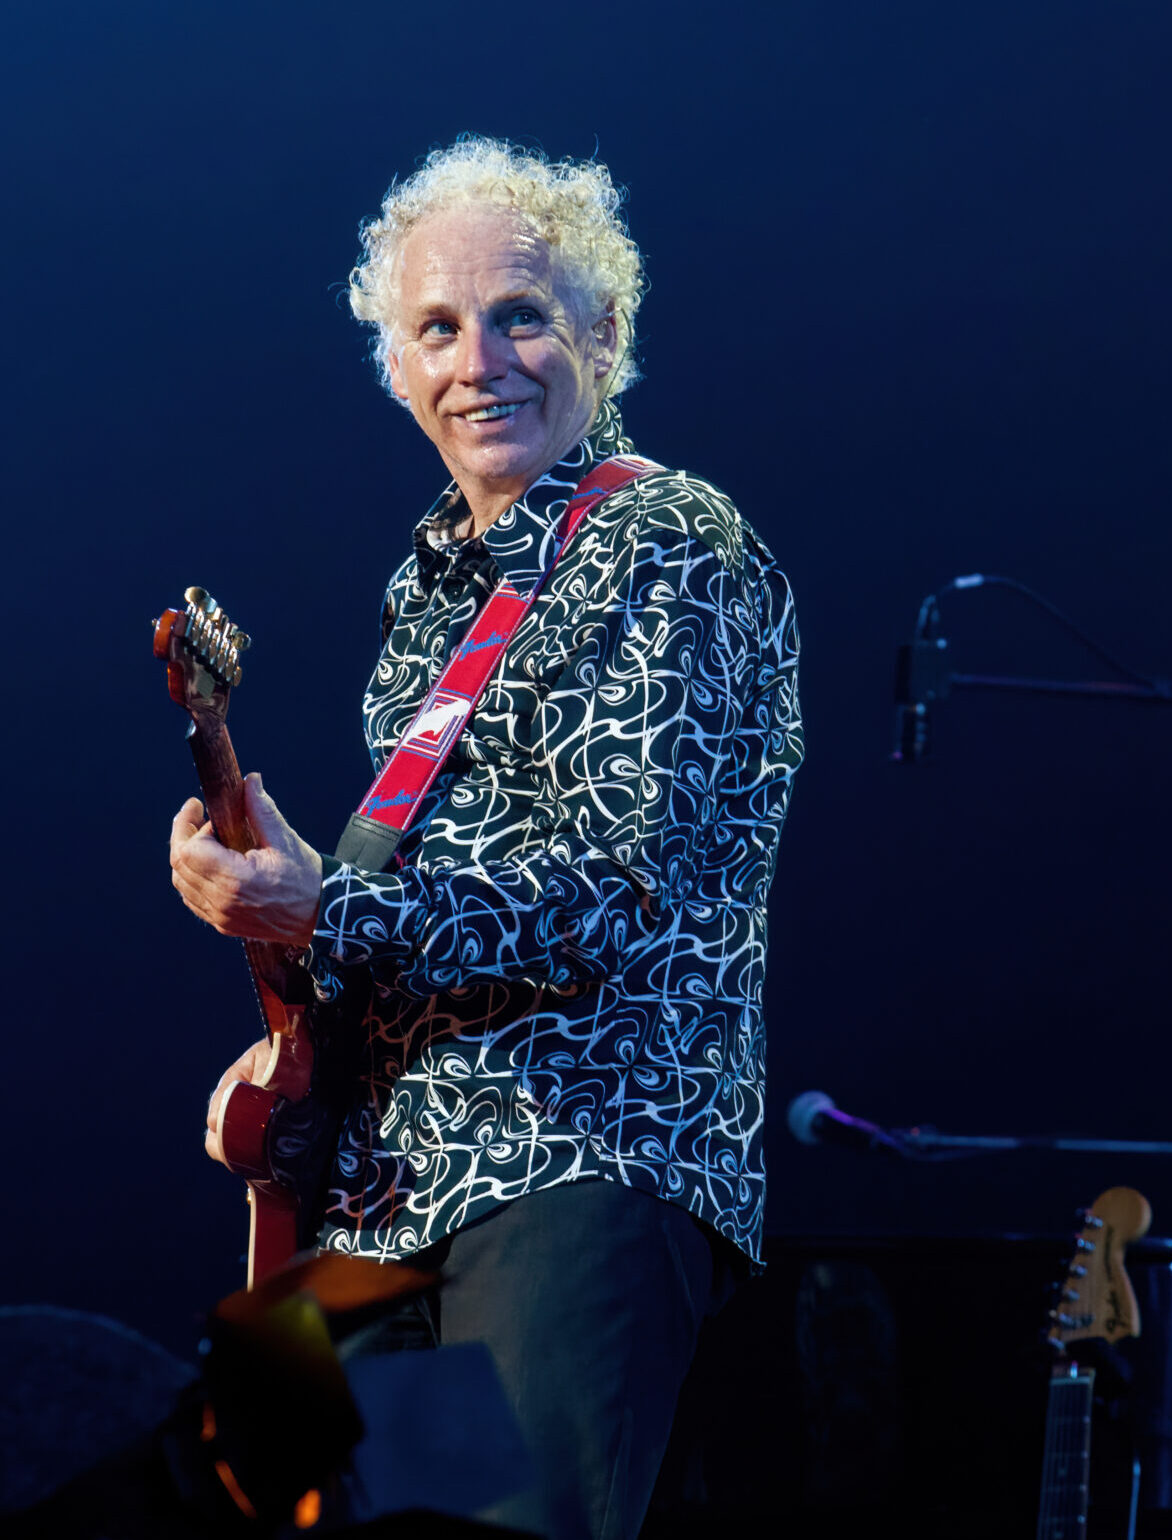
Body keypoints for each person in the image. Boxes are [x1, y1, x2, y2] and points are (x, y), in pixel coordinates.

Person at [169, 138, 803, 1540]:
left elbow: (624, 887)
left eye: (520, 315)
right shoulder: (430, 589)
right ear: (394, 365)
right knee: (246, 1490)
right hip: (385, 1200)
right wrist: (295, 924)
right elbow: (416, 904)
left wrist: (327, 913)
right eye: (435, 330)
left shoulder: (672, 540)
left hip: (576, 1166)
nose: (479, 364)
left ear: (604, 330)